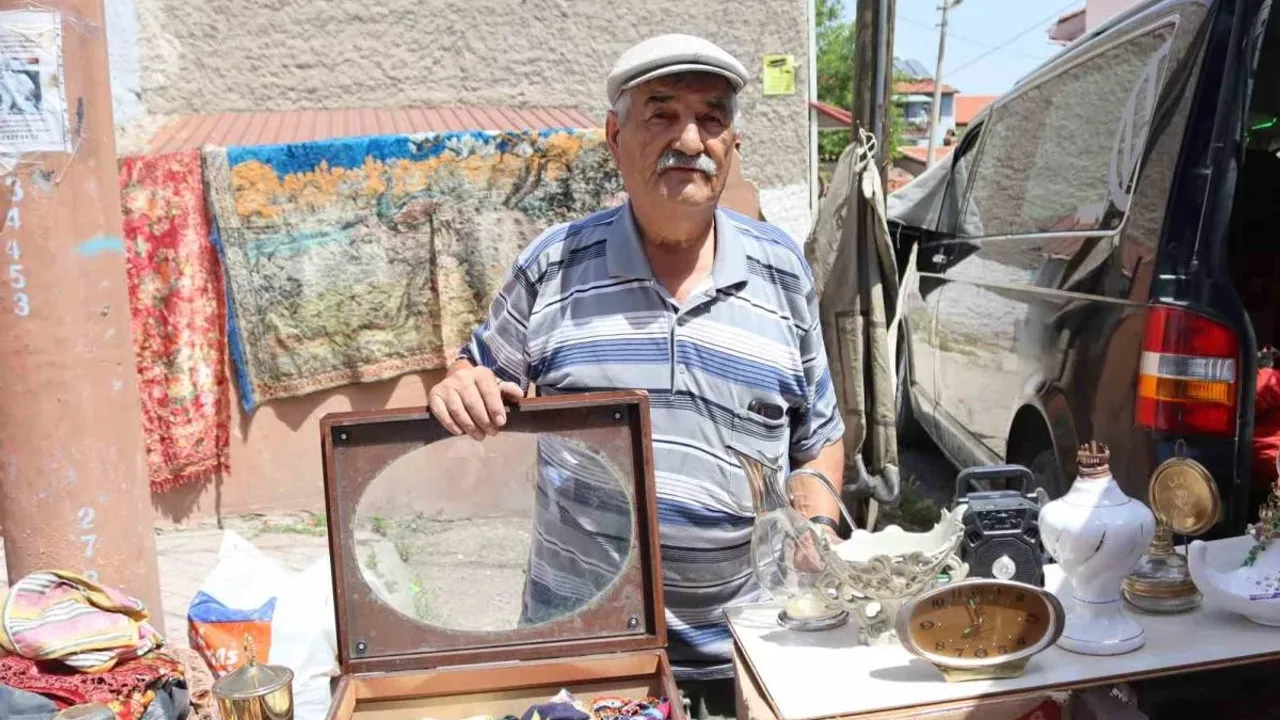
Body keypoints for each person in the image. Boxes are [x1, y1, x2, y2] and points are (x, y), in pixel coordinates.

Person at [428, 34, 846, 719]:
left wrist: (817, 532)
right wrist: (461, 383)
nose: (690, 139)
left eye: (711, 118)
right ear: (615, 137)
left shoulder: (782, 270)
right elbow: (477, 371)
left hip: (748, 654)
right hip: (587, 661)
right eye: (662, 113)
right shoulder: (553, 265)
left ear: (733, 143)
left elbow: (818, 437)